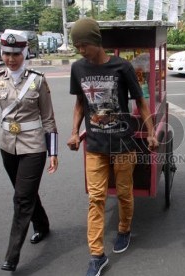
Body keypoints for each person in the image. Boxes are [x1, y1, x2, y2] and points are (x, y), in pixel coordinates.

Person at [66, 18, 159, 276]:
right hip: (95, 145)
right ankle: (96, 255)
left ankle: (124, 229)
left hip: (123, 144)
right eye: (77, 45)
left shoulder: (123, 67)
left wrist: (151, 133)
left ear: (97, 42)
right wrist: (74, 132)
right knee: (95, 198)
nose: (81, 49)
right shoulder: (78, 69)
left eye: (84, 44)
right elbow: (80, 105)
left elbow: (140, 101)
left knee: (124, 193)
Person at [0, 32, 58, 272]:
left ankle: (12, 256)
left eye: (15, 54)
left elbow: (49, 119)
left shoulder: (38, 81)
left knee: (21, 198)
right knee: (25, 192)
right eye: (7, 54)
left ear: (24, 54)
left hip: (33, 146)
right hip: (7, 146)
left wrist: (53, 152)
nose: (11, 59)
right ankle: (42, 225)